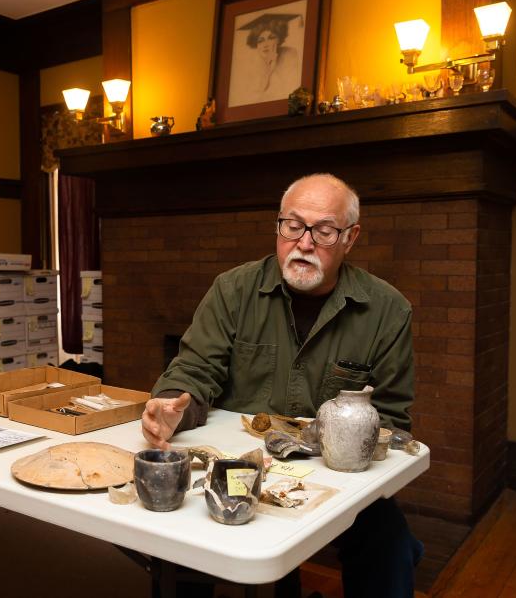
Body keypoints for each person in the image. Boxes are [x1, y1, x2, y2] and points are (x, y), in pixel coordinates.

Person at [142, 173, 423, 598]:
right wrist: (171, 406)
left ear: (350, 238)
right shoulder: (233, 290)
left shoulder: (386, 310)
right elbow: (194, 370)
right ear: (278, 226)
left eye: (324, 230)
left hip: (336, 475)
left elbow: (391, 417)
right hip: (238, 466)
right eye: (293, 226)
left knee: (389, 545)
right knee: (182, 546)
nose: (304, 243)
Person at [230, 12, 303, 107]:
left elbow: (288, 91)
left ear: (279, 39)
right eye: (260, 40)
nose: (265, 44)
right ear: (256, 44)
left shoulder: (289, 54)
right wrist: (269, 68)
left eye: (271, 37)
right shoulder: (250, 64)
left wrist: (274, 63)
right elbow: (253, 100)